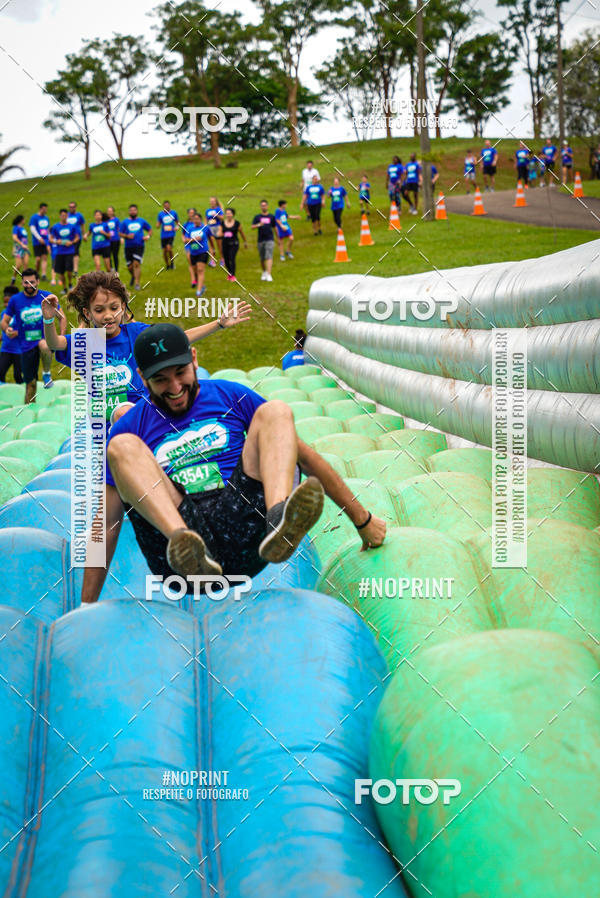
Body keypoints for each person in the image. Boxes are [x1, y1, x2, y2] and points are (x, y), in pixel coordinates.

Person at [79, 322, 387, 603]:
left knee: (275, 411)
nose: (174, 388)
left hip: (244, 529)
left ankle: (278, 520)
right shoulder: (132, 425)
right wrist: (86, 606)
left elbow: (303, 457)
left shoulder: (228, 395)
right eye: (161, 380)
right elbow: (106, 523)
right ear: (143, 379)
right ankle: (185, 545)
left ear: (194, 359)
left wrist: (363, 521)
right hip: (178, 554)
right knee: (121, 445)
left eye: (181, 373)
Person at [42, 271, 250, 425]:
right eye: (99, 310)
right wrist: (48, 320)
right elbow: (54, 344)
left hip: (145, 409)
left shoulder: (135, 333)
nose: (108, 315)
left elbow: (178, 339)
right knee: (124, 414)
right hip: (107, 416)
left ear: (123, 307)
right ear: (88, 313)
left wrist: (218, 324)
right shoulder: (86, 341)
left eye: (114, 308)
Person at [0, 269, 66, 400]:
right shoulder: (15, 300)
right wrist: (7, 330)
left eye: (32, 282)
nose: (29, 285)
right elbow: (4, 321)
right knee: (30, 384)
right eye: (26, 282)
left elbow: (62, 317)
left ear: (38, 281)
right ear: (22, 283)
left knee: (44, 345)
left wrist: (61, 336)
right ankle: (29, 407)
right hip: (25, 346)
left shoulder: (47, 297)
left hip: (44, 340)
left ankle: (46, 373)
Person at [120, 204, 152, 290]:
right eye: (131, 210)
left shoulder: (141, 221)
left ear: (137, 211)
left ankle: (137, 284)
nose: (133, 212)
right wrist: (126, 236)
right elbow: (119, 233)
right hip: (128, 247)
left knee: (136, 264)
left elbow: (150, 229)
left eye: (134, 210)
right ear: (129, 212)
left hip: (139, 245)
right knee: (130, 267)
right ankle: (134, 276)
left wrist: (147, 236)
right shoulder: (125, 222)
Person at [181, 211, 212, 297]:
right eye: (194, 219)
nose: (196, 220)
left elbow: (210, 237)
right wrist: (195, 239)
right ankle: (202, 286)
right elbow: (185, 240)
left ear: (200, 219)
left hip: (203, 252)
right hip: (193, 253)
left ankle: (198, 291)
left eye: (198, 219)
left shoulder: (205, 228)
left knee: (200, 270)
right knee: (195, 271)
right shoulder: (190, 228)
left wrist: (212, 249)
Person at [48, 209, 79, 293]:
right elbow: (50, 239)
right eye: (62, 215)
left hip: (69, 251)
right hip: (59, 252)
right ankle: (64, 288)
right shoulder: (55, 227)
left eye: (65, 215)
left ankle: (70, 284)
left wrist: (71, 242)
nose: (64, 217)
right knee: (61, 272)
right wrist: (56, 241)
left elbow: (77, 237)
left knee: (69, 271)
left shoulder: (72, 226)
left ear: (67, 216)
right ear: (60, 216)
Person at [0, 285, 22, 384]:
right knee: (0, 372)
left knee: (18, 376)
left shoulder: (22, 313)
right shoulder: (3, 314)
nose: (6, 305)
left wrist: (17, 333)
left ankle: (25, 391)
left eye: (8, 302)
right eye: (4, 302)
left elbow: (29, 330)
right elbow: (4, 330)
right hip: (6, 349)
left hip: (19, 351)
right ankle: (3, 391)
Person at [220, 207, 248, 281]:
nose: (228, 215)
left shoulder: (237, 223)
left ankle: (233, 275)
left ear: (233, 214)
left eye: (230, 213)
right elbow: (220, 233)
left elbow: (241, 233)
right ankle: (229, 273)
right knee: (226, 260)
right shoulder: (222, 223)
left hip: (234, 243)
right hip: (225, 243)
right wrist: (221, 234)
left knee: (232, 258)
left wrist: (245, 242)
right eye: (227, 213)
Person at [252, 200, 277, 281]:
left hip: (270, 239)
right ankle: (264, 272)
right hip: (260, 240)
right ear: (260, 207)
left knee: (269, 256)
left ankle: (269, 274)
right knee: (262, 258)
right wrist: (258, 224)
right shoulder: (257, 217)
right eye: (262, 205)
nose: (264, 207)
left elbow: (275, 227)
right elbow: (252, 227)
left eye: (265, 205)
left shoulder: (271, 217)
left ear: (267, 206)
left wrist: (278, 238)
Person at [29, 203, 50, 281]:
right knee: (38, 259)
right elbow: (32, 229)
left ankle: (44, 275)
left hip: (45, 241)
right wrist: (39, 238)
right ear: (40, 209)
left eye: (46, 209)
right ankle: (36, 273)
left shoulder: (46, 218)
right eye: (44, 209)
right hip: (37, 242)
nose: (45, 210)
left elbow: (47, 229)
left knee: (44, 257)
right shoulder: (34, 217)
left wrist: (49, 238)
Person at [157, 200, 179, 271]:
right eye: (165, 206)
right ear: (163, 207)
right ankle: (167, 265)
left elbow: (177, 222)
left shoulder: (174, 213)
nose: (167, 207)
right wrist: (158, 225)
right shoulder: (160, 214)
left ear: (170, 206)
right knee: (164, 251)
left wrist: (177, 227)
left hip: (171, 234)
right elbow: (158, 223)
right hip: (163, 235)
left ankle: (172, 263)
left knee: (169, 249)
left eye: (168, 206)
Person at [66, 202, 84, 278]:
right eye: (70, 207)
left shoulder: (79, 215)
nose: (72, 208)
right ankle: (69, 268)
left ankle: (75, 271)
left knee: (75, 252)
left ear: (75, 207)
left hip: (77, 237)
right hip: (68, 238)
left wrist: (84, 234)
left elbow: (82, 225)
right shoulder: (66, 215)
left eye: (73, 207)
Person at [205, 197, 224, 267]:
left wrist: (216, 215)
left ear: (216, 202)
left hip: (218, 228)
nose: (212, 202)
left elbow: (222, 218)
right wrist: (205, 226)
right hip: (210, 229)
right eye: (211, 201)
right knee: (211, 245)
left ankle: (222, 259)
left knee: (219, 245)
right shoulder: (207, 210)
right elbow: (206, 219)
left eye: (213, 201)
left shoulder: (218, 209)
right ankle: (212, 260)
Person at [11, 215, 29, 283]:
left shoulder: (23, 228)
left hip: (25, 248)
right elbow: (14, 238)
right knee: (18, 265)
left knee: (26, 265)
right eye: (23, 219)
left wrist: (25, 246)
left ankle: (24, 281)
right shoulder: (16, 228)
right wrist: (22, 244)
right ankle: (13, 278)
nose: (24, 221)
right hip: (19, 248)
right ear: (21, 220)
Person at [183, 208, 198, 288]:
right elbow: (183, 234)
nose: (191, 214)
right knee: (191, 263)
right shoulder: (186, 224)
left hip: (198, 246)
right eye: (190, 213)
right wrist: (183, 239)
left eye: (193, 213)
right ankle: (193, 280)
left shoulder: (198, 224)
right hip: (188, 245)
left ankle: (197, 276)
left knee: (197, 264)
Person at [106, 206, 121, 272]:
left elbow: (119, 229)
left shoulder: (116, 220)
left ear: (113, 212)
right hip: (107, 241)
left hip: (115, 240)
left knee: (115, 255)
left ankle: (116, 270)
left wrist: (121, 238)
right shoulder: (105, 220)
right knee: (108, 255)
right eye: (108, 211)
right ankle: (111, 269)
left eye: (111, 211)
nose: (109, 212)